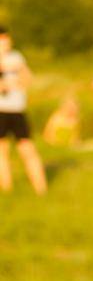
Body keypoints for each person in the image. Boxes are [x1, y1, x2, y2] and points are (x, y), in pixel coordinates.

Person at [0, 26, 46, 195]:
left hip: (17, 109)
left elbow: (28, 79)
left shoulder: (17, 57)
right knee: (2, 151)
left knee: (28, 148)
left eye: (7, 41)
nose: (6, 44)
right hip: (1, 110)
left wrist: (18, 78)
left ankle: (41, 188)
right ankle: (6, 188)